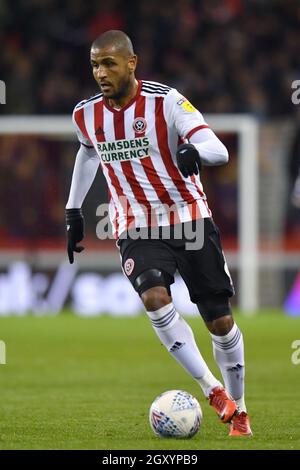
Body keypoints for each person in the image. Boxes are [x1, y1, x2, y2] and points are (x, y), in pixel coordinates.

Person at [65, 30, 252, 436]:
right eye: (95, 64)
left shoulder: (165, 102)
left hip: (187, 218)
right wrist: (73, 210)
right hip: (134, 224)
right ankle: (212, 389)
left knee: (219, 322)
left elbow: (218, 149)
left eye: (109, 63)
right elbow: (86, 151)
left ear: (131, 63)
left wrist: (193, 151)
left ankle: (240, 409)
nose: (101, 72)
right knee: (153, 296)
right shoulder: (85, 114)